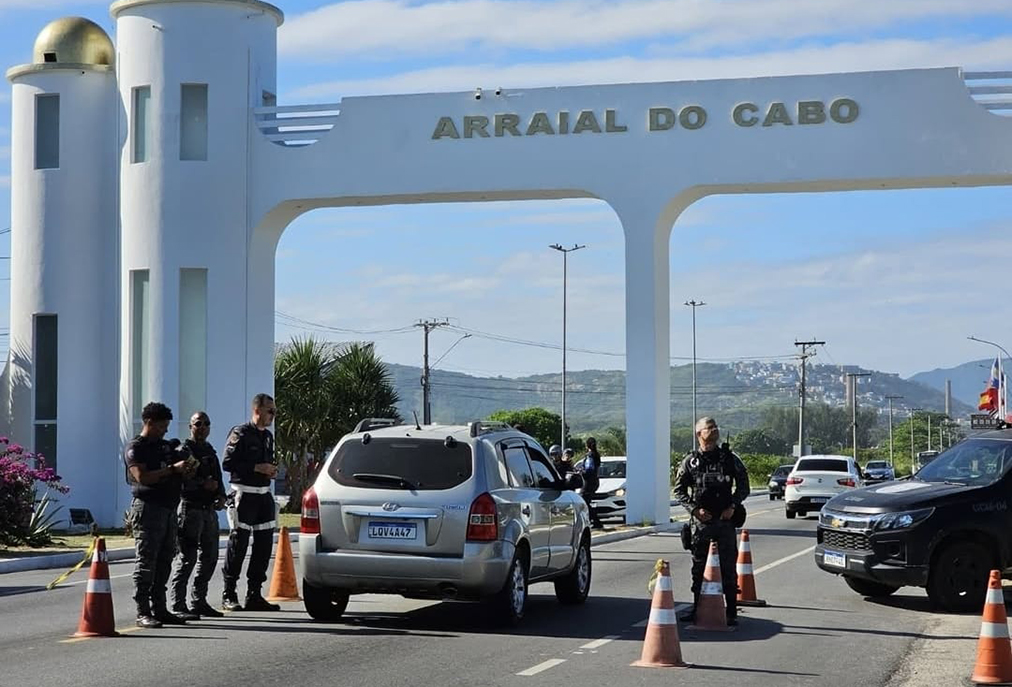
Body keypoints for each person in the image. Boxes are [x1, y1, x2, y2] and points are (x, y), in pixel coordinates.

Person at [124, 402, 196, 628]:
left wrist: (187, 468)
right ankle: (143, 611)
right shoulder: (137, 447)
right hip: (148, 508)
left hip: (168, 508)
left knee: (166, 560)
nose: (165, 430)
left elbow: (178, 472)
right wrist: (172, 470)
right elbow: (142, 477)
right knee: (147, 561)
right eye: (162, 426)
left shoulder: (165, 447)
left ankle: (160, 608)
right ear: (149, 422)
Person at [673, 416, 750, 626]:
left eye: (715, 427)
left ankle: (731, 611)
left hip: (724, 521)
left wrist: (732, 506)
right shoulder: (690, 461)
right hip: (701, 524)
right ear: (699, 433)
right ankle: (697, 607)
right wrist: (694, 510)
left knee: (728, 567)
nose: (714, 430)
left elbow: (744, 487)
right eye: (709, 428)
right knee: (699, 568)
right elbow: (678, 491)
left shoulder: (729, 458)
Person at [221, 393, 280, 612]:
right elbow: (228, 463)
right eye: (270, 411)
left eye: (274, 412)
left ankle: (254, 594)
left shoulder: (268, 436)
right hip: (243, 494)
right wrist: (256, 468)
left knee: (264, 547)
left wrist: (270, 470)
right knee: (239, 545)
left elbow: (266, 462)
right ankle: (229, 593)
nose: (273, 416)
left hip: (263, 495)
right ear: (257, 410)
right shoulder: (240, 433)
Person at [169, 411, 226, 619]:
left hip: (208, 510)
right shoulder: (185, 451)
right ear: (190, 427)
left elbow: (218, 477)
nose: (202, 427)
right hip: (190, 509)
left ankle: (199, 601)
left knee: (210, 557)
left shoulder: (209, 451)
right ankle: (178, 603)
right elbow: (183, 480)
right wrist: (204, 484)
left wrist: (220, 495)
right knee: (187, 558)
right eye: (198, 424)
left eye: (206, 424)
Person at [581, 437, 604, 529]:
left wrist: (581, 472)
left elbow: (589, 469)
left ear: (587, 445)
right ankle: (595, 521)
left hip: (589, 482)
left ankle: (596, 521)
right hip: (595, 481)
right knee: (587, 501)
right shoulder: (596, 454)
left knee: (584, 502)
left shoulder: (590, 455)